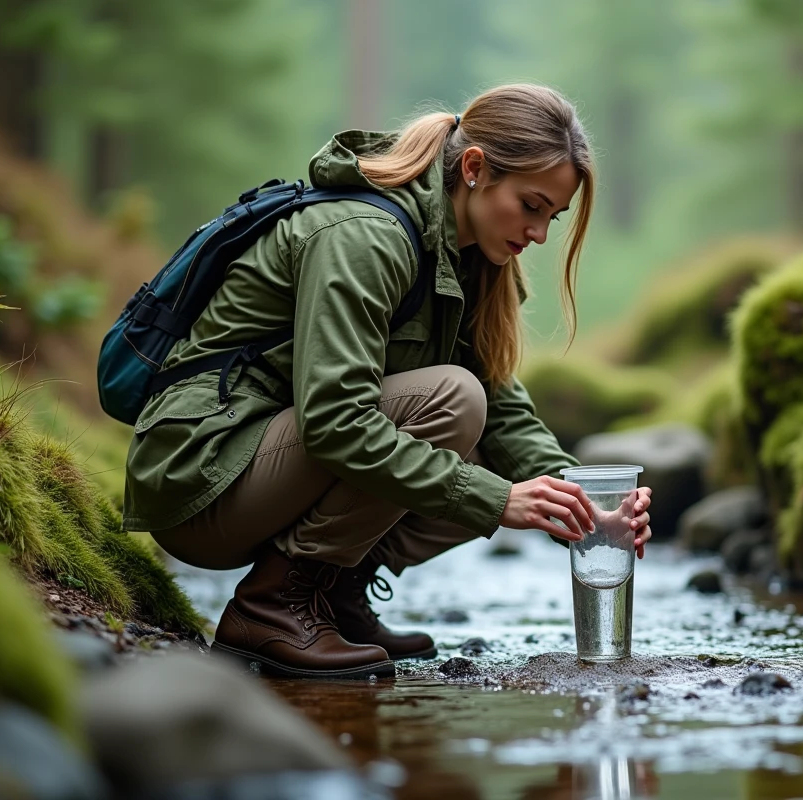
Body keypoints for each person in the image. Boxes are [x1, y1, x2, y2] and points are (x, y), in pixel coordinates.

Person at [122, 84, 654, 680]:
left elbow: (503, 411)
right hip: (201, 475)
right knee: (453, 403)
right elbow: (335, 421)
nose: (540, 235)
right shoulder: (362, 236)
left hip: (269, 468)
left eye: (552, 217)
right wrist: (498, 500)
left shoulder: (471, 255)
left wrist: (580, 506)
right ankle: (272, 606)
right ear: (475, 168)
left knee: (476, 437)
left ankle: (332, 596)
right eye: (531, 206)